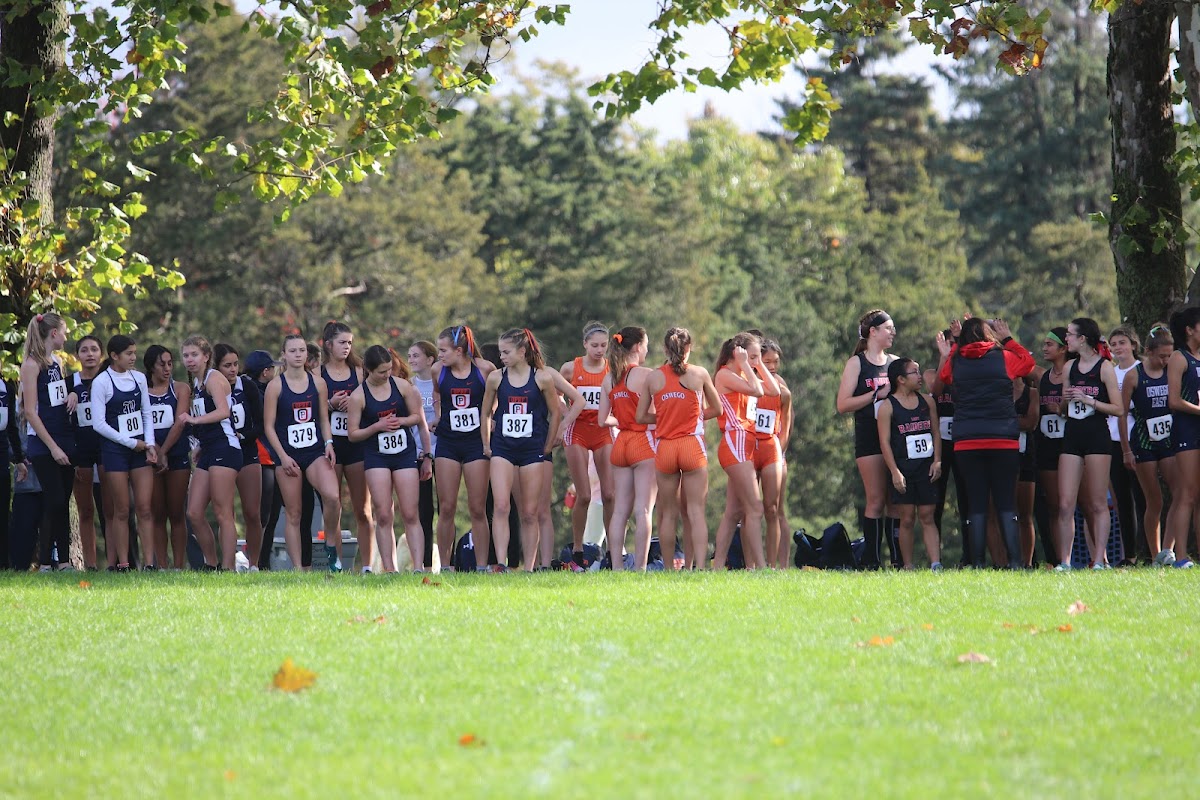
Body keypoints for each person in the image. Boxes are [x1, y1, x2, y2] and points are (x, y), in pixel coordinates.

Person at [936, 317, 1035, 570]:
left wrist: (957, 342)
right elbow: (1028, 363)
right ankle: (1015, 562)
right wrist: (1008, 339)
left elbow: (945, 375)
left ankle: (978, 562)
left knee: (977, 506)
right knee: (1005, 504)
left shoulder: (957, 361)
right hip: (1002, 439)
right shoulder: (1004, 358)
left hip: (967, 442)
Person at [636, 327, 721, 569]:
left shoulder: (653, 377)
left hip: (666, 448)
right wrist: (692, 418)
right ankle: (701, 568)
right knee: (695, 512)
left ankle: (668, 569)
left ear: (665, 349)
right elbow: (718, 409)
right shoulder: (700, 374)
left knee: (668, 514)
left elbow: (641, 416)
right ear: (689, 348)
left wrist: (664, 419)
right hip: (691, 446)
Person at [481, 329, 561, 571]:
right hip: (503, 447)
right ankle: (501, 564)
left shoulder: (542, 378)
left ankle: (529, 567)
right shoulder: (496, 377)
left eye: (506, 352)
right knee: (502, 506)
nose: (501, 356)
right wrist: (486, 443)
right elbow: (485, 412)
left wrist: (548, 444)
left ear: (522, 352)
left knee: (529, 511)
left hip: (532, 449)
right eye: (500, 352)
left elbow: (556, 412)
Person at [262, 333, 344, 571]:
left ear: (307, 354)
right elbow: (269, 426)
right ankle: (299, 570)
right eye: (293, 351)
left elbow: (323, 419)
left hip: (315, 451)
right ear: (284, 355)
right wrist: (283, 457)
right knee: (294, 514)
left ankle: (330, 545)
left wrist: (329, 443)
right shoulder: (275, 386)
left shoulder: (318, 383)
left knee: (332, 496)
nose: (298, 355)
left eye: (301, 350)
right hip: (288, 455)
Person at [348, 345, 431, 573]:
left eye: (389, 370)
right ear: (368, 370)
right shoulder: (359, 396)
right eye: (382, 372)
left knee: (411, 512)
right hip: (376, 456)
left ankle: (418, 567)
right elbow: (353, 434)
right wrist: (377, 426)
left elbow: (418, 418)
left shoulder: (403, 386)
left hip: (404, 454)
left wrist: (403, 424)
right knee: (383, 513)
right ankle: (389, 569)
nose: (387, 375)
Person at [1055, 318, 1123, 570]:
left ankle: (1098, 560)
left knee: (1097, 502)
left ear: (1083, 338)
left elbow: (1118, 408)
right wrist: (1065, 401)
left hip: (1097, 435)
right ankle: (1065, 562)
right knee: (1065, 503)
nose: (1067, 339)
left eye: (1070, 335)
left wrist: (1089, 400)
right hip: (1072, 435)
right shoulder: (1070, 367)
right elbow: (1063, 409)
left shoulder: (1105, 367)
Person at [711, 332, 779, 570]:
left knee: (733, 511)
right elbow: (758, 392)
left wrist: (757, 363)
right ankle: (759, 567)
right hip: (735, 442)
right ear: (737, 354)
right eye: (752, 356)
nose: (755, 362)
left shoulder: (743, 373)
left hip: (745, 445)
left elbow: (774, 391)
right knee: (755, 507)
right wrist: (744, 364)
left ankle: (718, 565)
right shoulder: (725, 375)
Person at [89, 335, 158, 570]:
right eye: (128, 354)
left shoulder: (139, 378)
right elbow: (98, 424)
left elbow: (146, 414)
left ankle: (149, 564)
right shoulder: (102, 382)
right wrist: (130, 443)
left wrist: (149, 445)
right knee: (121, 509)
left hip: (140, 450)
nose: (133, 358)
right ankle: (124, 564)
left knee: (145, 508)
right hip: (115, 451)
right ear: (114, 356)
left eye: (134, 353)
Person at [835, 309, 897, 569]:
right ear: (873, 332)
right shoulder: (857, 363)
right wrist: (876, 395)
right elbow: (843, 404)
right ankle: (871, 561)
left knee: (897, 501)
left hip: (896, 438)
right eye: (888, 328)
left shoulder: (895, 362)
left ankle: (898, 559)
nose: (893, 332)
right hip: (869, 438)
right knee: (876, 499)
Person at [432, 324, 494, 571]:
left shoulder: (484, 369)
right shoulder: (439, 371)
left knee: (477, 508)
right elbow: (437, 396)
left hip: (475, 443)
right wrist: (438, 415)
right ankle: (446, 567)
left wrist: (491, 419)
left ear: (459, 350)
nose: (439, 355)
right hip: (447, 442)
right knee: (446, 507)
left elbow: (493, 401)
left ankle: (481, 566)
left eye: (443, 350)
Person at [179, 335, 242, 571]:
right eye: (186, 355)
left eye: (194, 355)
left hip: (225, 448)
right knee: (194, 512)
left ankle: (228, 567)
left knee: (222, 511)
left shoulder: (214, 378)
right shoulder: (196, 383)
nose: (189, 360)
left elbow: (224, 412)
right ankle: (211, 563)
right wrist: (200, 445)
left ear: (206, 357)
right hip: (209, 449)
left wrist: (194, 419)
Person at [598, 326, 657, 571]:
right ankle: (640, 567)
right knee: (643, 509)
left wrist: (623, 420)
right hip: (643, 442)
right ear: (636, 347)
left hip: (620, 443)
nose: (646, 349)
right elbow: (657, 412)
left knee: (620, 510)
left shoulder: (609, 378)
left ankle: (617, 567)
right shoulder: (647, 375)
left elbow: (603, 420)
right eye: (645, 345)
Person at [20, 313, 76, 571]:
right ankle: (44, 561)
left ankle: (63, 561)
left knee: (62, 501)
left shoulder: (57, 363)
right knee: (53, 500)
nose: (66, 337)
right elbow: (30, 411)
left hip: (64, 437)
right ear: (54, 333)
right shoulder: (32, 365)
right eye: (64, 332)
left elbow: (57, 397)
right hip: (45, 444)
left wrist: (73, 394)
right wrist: (52, 447)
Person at [560, 321, 617, 570]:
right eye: (594, 345)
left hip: (603, 432)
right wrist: (567, 413)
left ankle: (614, 549)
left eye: (604, 345)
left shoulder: (612, 370)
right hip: (578, 432)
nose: (599, 350)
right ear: (585, 344)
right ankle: (578, 549)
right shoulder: (571, 368)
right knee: (583, 495)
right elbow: (555, 393)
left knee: (609, 494)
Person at [877, 357, 942, 569]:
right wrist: (895, 472)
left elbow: (935, 433)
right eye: (915, 372)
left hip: (926, 468)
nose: (920, 376)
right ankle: (908, 565)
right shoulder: (888, 406)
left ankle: (935, 564)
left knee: (927, 515)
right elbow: (884, 442)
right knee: (906, 518)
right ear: (901, 379)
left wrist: (937, 461)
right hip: (904, 469)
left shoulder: (927, 401)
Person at [1120, 323, 1177, 565]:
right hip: (1143, 440)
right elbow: (1121, 414)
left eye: (1169, 356)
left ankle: (1170, 551)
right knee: (1154, 500)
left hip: (1170, 439)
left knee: (1180, 495)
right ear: (1149, 351)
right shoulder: (1135, 375)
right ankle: (1155, 556)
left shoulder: (1173, 370)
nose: (1166, 360)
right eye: (1162, 356)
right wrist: (1126, 450)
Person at [319, 321, 373, 572]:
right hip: (330, 445)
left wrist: (355, 402)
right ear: (328, 344)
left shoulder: (361, 372)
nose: (347, 347)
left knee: (363, 508)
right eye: (342, 342)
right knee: (334, 505)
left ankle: (368, 566)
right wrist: (330, 404)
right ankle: (336, 563)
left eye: (350, 343)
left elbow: (375, 403)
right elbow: (311, 411)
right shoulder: (318, 375)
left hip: (357, 444)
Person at [144, 344, 191, 569]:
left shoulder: (181, 388)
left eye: (170, 363)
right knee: (157, 513)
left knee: (177, 512)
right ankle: (162, 565)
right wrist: (154, 451)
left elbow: (180, 422)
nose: (167, 368)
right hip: (150, 457)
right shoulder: (140, 389)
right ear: (151, 366)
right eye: (161, 364)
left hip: (177, 454)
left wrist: (164, 452)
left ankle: (179, 566)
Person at [1107, 326, 1147, 565]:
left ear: (1133, 344)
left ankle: (1150, 551)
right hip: (1111, 439)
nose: (1117, 348)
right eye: (1113, 344)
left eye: (1122, 342)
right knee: (1122, 499)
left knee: (1143, 498)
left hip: (1138, 439)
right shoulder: (1110, 372)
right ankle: (1130, 555)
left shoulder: (1141, 370)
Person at [1166, 306, 1200, 568]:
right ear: (1190, 330)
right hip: (1186, 431)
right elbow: (1174, 400)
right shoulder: (1179, 358)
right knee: (1187, 494)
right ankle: (1180, 557)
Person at [1035, 328, 1069, 566]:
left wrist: (1063, 410)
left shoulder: (1076, 373)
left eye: (1049, 344)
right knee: (1055, 506)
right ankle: (1060, 561)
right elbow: (1020, 362)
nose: (1044, 348)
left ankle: (1098, 560)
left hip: (1074, 445)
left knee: (1086, 505)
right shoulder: (1042, 377)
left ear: (1063, 348)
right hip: (1047, 446)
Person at [70, 335, 104, 569]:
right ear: (77, 356)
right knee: (86, 510)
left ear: (101, 354)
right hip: (80, 453)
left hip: (106, 451)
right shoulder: (68, 383)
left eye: (94, 349)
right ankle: (90, 565)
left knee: (110, 511)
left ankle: (116, 563)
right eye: (84, 350)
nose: (89, 354)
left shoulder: (109, 380)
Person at [758, 339, 793, 569]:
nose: (771, 366)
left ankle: (781, 565)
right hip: (749, 451)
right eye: (766, 361)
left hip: (774, 452)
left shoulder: (782, 389)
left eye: (775, 362)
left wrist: (778, 452)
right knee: (748, 510)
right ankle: (751, 563)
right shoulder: (748, 384)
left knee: (776, 509)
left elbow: (786, 426)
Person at [408, 340, 439, 569]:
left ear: (430, 359)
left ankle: (449, 564)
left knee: (446, 509)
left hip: (444, 452)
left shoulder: (441, 384)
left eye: (416, 355)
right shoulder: (409, 386)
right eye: (409, 356)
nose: (411, 360)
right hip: (419, 454)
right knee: (423, 512)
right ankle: (425, 565)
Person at [0, 371, 23, 569]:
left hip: (1, 453)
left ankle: (3, 563)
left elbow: (12, 427)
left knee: (3, 508)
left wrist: (19, 458)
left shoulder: (6, 387)